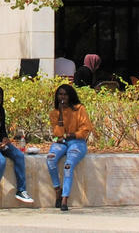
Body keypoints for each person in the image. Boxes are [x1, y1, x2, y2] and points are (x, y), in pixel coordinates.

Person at [46, 83, 94, 212]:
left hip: (77, 142)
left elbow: (85, 130)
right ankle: (57, 189)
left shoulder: (79, 109)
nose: (62, 97)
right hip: (61, 142)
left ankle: (64, 198)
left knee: (68, 164)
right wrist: (61, 114)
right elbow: (58, 134)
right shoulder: (54, 113)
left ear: (70, 96)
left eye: (65, 94)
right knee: (50, 159)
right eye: (60, 95)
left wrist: (71, 135)